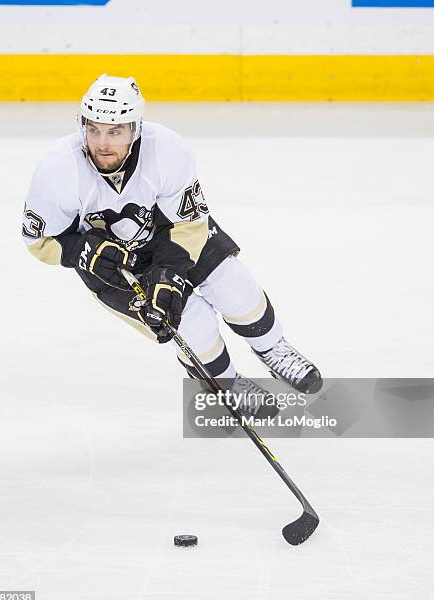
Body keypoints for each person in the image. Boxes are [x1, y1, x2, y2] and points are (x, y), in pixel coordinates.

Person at [22, 73, 322, 394]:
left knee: (235, 287)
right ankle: (225, 385)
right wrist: (83, 252)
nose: (103, 143)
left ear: (135, 129)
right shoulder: (58, 167)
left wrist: (168, 272)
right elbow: (39, 240)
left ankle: (272, 348)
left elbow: (188, 223)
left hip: (173, 236)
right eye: (93, 129)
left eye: (115, 131)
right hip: (112, 263)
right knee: (192, 323)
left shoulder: (165, 149)